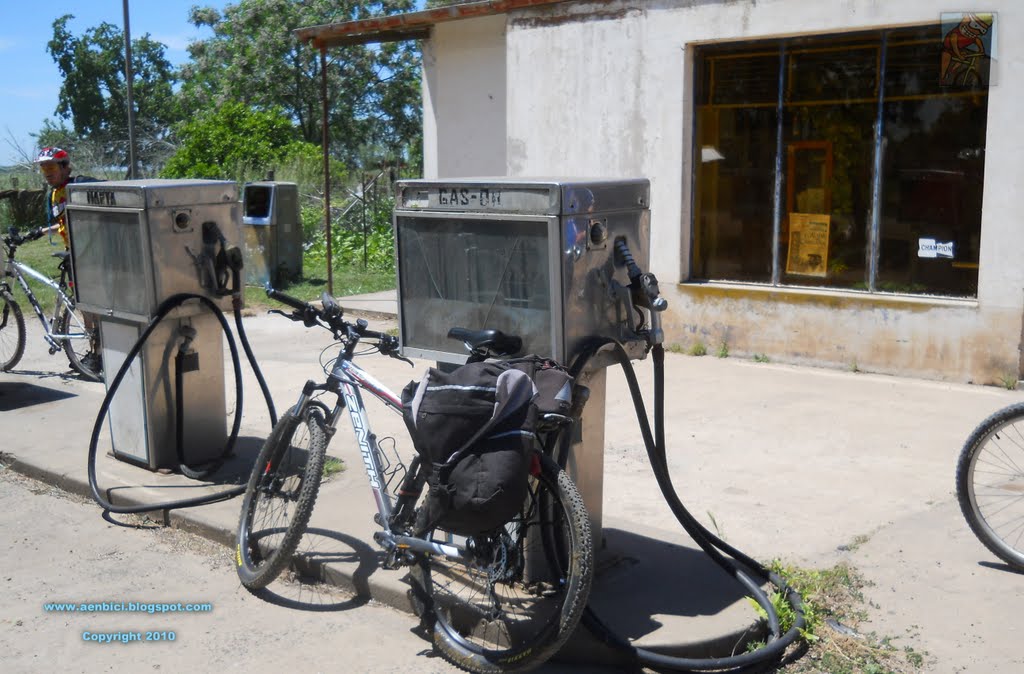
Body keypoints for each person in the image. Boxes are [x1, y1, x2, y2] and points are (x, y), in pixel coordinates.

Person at [33, 146, 102, 375]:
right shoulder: (55, 193)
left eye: (51, 166)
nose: (47, 172)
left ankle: (99, 355)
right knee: (83, 307)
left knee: (91, 306)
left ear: (65, 167)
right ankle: (95, 353)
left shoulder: (78, 186)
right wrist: (42, 231)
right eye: (43, 167)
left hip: (89, 253)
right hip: (73, 253)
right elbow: (63, 222)